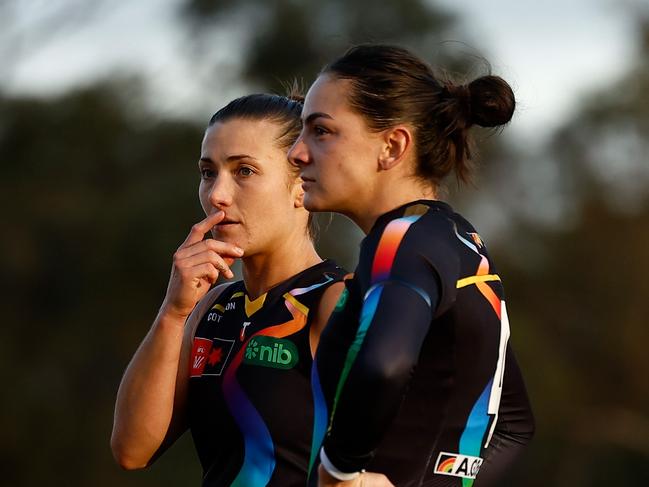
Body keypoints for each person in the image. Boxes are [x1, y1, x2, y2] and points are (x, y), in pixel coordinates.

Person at [288, 44, 535, 487]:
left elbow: (384, 364)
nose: (296, 152)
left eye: (320, 131)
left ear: (393, 146)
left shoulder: (402, 239)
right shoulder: (456, 240)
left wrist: (338, 470)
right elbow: (513, 426)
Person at [110, 93, 351, 486]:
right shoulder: (214, 306)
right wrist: (173, 313)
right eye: (208, 172)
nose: (217, 195)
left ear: (300, 183)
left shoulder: (336, 301)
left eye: (244, 171)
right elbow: (132, 450)